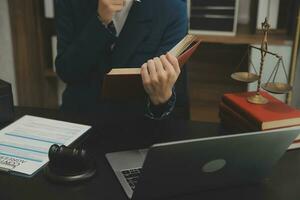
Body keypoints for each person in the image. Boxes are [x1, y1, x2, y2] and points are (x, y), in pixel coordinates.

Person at [55, 0, 188, 119]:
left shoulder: (171, 8)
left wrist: (162, 97)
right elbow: (66, 71)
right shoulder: (70, 3)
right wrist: (100, 21)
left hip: (137, 125)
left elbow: (169, 91)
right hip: (79, 119)